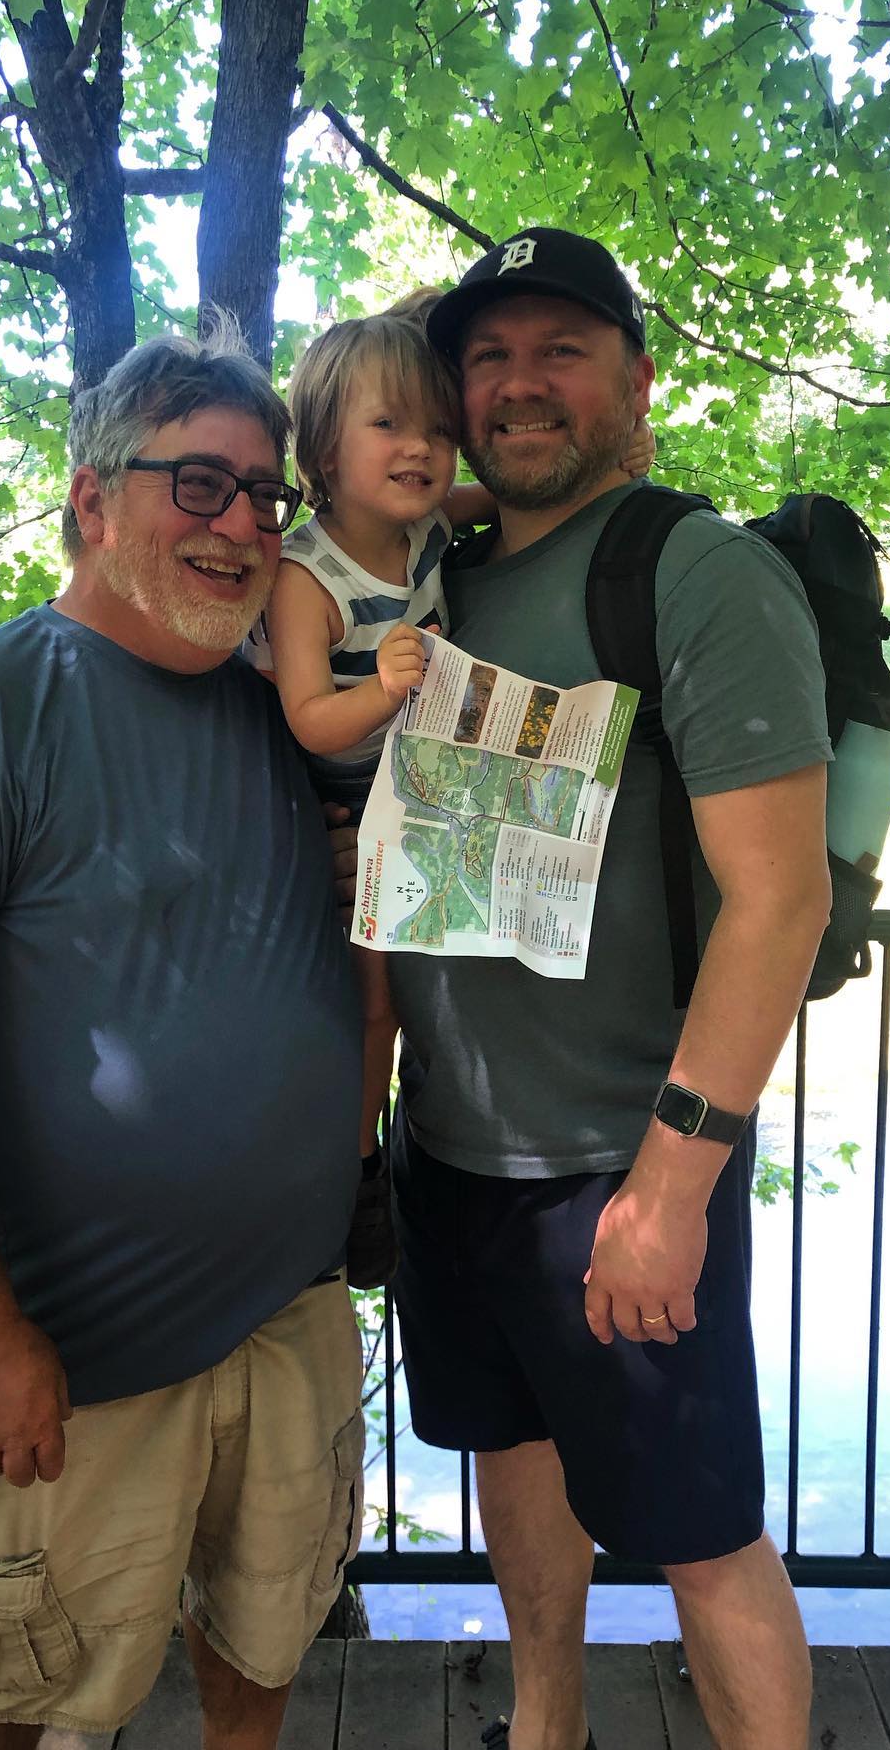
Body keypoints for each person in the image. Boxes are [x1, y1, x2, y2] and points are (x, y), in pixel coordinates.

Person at [0, 323, 366, 1750]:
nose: (240, 523)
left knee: (260, 1662)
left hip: (289, 1316)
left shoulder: (276, 725)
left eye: (264, 496)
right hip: (71, 1356)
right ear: (89, 501)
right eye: (198, 483)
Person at [386, 228, 835, 1750]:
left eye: (561, 351)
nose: (521, 385)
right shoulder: (432, 569)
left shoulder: (695, 571)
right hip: (452, 1149)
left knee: (702, 1532)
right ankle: (546, 1726)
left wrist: (672, 1182)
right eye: (491, 357)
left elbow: (782, 896)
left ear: (635, 383)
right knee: (509, 1453)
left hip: (624, 1163)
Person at [252, 295, 653, 1285]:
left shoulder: (430, 528)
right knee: (368, 1003)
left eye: (437, 428)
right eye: (389, 425)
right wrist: (381, 691)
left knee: (402, 998)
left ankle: (381, 1155)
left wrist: (616, 472)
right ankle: (352, 1173)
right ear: (323, 453)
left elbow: (511, 504)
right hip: (342, 804)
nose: (422, 450)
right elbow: (307, 716)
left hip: (423, 795)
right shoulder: (307, 576)